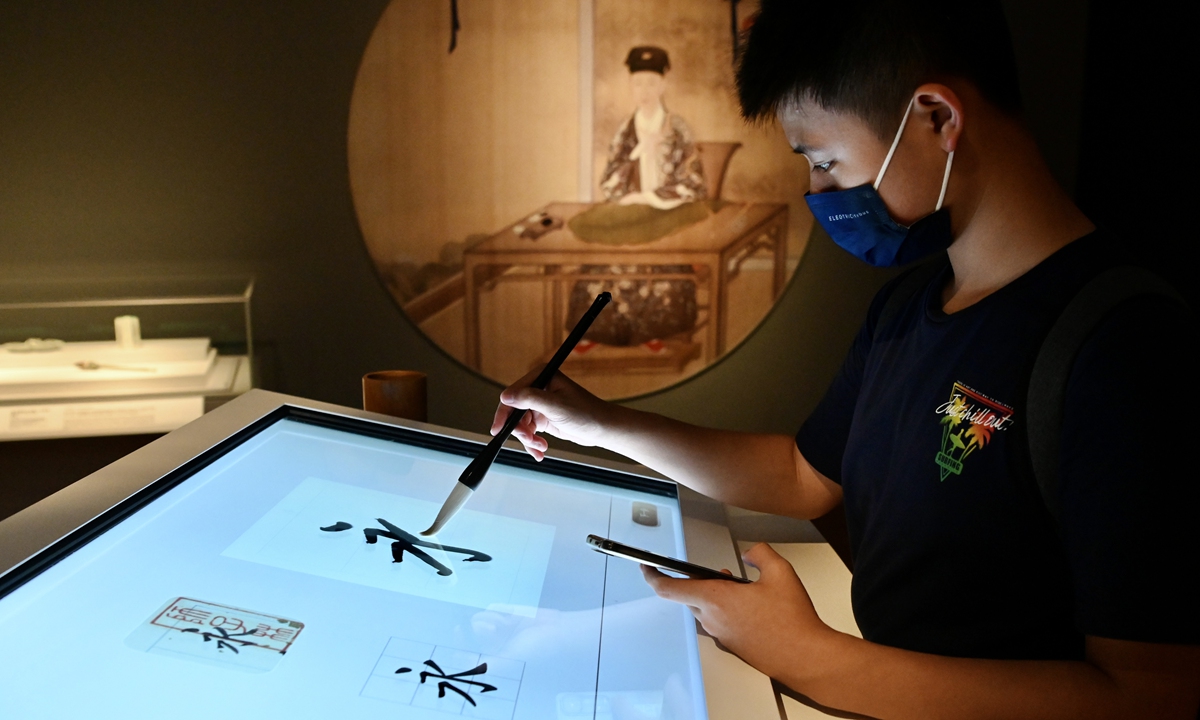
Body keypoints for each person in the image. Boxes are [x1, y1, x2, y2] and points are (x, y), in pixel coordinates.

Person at [494, 1, 1200, 718]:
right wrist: (600, 425)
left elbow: (1151, 695)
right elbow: (805, 475)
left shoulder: (1125, 349)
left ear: (936, 118)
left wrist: (806, 653)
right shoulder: (907, 308)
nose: (819, 195)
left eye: (826, 162)